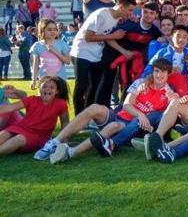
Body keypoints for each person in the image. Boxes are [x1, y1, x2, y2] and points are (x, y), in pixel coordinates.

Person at [45, 59, 175, 163]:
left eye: (163, 72)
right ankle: (56, 142)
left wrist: (175, 99)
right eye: (157, 71)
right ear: (152, 71)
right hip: (121, 116)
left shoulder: (169, 93)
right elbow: (126, 105)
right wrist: (141, 114)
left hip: (132, 127)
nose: (159, 75)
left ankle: (71, 152)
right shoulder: (141, 83)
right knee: (95, 108)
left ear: (169, 74)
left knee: (117, 125)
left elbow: (168, 113)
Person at [70, 0, 136, 115]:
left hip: (96, 55)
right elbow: (88, 37)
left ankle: (88, 116)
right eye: (130, 10)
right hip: (81, 52)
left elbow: (108, 37)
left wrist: (123, 51)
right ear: (121, 7)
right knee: (82, 85)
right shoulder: (101, 14)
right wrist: (113, 36)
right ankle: (78, 116)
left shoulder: (117, 18)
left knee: (94, 86)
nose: (131, 13)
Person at [0, 76, 69, 156]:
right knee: (4, 134)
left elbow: (65, 122)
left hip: (38, 135)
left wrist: (64, 140)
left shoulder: (60, 104)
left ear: (57, 91)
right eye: (44, 86)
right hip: (20, 127)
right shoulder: (32, 99)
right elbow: (10, 107)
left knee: (18, 139)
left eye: (52, 87)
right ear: (39, 88)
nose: (47, 89)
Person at [29, 19, 71, 89]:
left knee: (60, 99)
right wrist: (33, 80)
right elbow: (35, 64)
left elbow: (68, 61)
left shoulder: (62, 44)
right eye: (49, 29)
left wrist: (54, 51)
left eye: (55, 29)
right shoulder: (37, 45)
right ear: (42, 31)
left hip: (60, 80)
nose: (53, 31)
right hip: (44, 80)